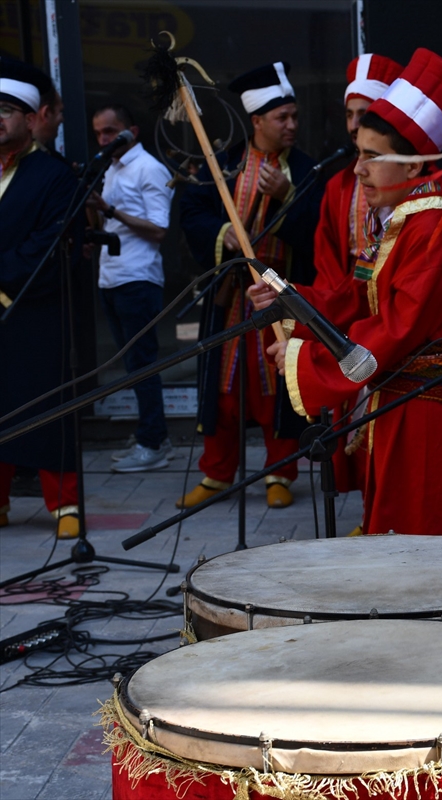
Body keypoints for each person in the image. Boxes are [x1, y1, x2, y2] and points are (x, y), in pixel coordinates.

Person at [253, 49, 442, 537]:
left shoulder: (436, 229)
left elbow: (396, 327)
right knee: (397, 532)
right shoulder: (402, 221)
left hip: (429, 406)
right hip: (401, 397)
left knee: (423, 537)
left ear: (416, 166)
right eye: (359, 152)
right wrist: (290, 301)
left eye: (372, 156)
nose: (358, 169)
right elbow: (355, 300)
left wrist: (305, 361)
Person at [178, 61, 322, 510]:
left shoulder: (308, 171)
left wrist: (287, 197)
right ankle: (217, 473)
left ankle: (281, 471)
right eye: (283, 118)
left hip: (281, 299)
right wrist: (222, 233)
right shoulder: (223, 164)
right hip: (230, 300)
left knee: (276, 389)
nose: (292, 125)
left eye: (295, 116)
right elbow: (192, 214)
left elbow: (319, 232)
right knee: (222, 393)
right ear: (257, 121)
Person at [293, 53, 402, 515]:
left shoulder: (409, 191)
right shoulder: (337, 185)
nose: (355, 125)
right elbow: (326, 258)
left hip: (385, 329)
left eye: (367, 115)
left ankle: (381, 519)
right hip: (345, 320)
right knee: (347, 433)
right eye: (351, 115)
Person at [0, 58, 83, 539]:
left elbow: (50, 246)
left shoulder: (56, 176)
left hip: (35, 310)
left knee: (46, 406)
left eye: (7, 109)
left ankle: (65, 503)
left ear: (31, 120)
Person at [84, 104, 175, 472]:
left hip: (138, 278)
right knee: (131, 363)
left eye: (111, 132)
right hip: (111, 276)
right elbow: (105, 221)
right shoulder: (112, 167)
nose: (104, 139)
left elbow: (159, 229)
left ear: (131, 132)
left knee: (142, 364)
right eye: (99, 133)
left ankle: (153, 444)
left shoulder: (149, 168)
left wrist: (108, 211)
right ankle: (151, 434)